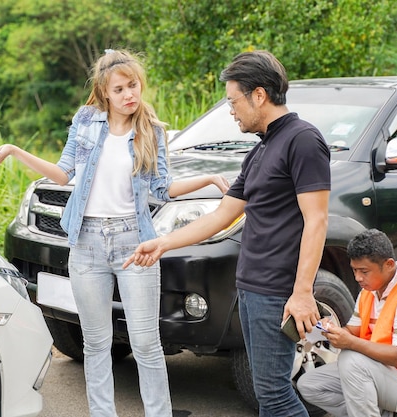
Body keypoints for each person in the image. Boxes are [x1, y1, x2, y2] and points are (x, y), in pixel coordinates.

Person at [0, 49, 229, 417]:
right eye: (120, 89)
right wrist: (15, 150)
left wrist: (206, 179)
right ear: (104, 93)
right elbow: (64, 174)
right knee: (96, 343)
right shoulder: (85, 122)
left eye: (134, 85)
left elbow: (161, 189)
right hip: (87, 244)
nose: (130, 94)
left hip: (134, 242)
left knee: (145, 343)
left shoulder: (151, 131)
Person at [124, 50, 331, 416]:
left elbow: (316, 220)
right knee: (269, 393)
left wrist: (301, 293)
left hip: (277, 291)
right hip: (250, 287)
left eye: (233, 100)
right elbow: (222, 214)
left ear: (259, 95)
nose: (231, 110)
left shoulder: (303, 140)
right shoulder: (260, 150)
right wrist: (164, 242)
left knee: (274, 394)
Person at [297, 229, 397, 417]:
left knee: (351, 360)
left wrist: (349, 343)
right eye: (354, 270)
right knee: (309, 385)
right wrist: (330, 330)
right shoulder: (369, 291)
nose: (358, 277)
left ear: (389, 265)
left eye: (364, 271)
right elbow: (353, 331)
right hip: (378, 371)